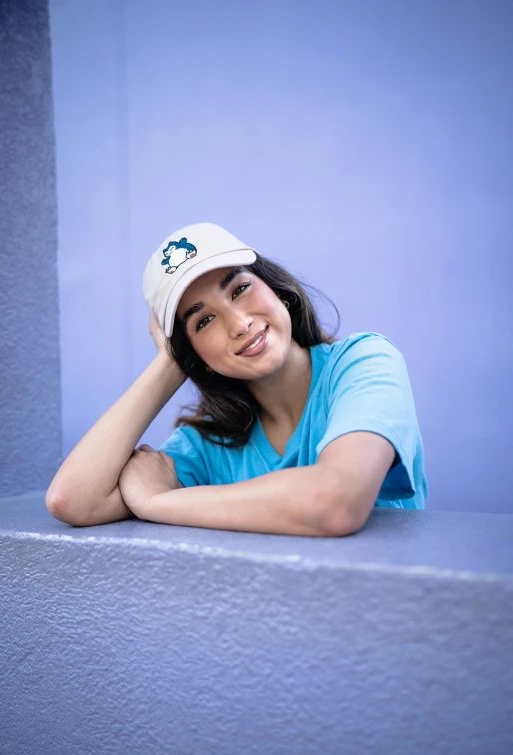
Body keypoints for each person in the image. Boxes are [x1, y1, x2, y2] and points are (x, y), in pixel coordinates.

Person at [46, 222, 428, 536]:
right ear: (197, 355)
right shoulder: (211, 444)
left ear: (277, 290)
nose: (240, 323)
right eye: (204, 321)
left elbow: (337, 502)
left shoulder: (363, 363)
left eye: (240, 289)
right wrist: (169, 364)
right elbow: (73, 500)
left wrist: (158, 503)